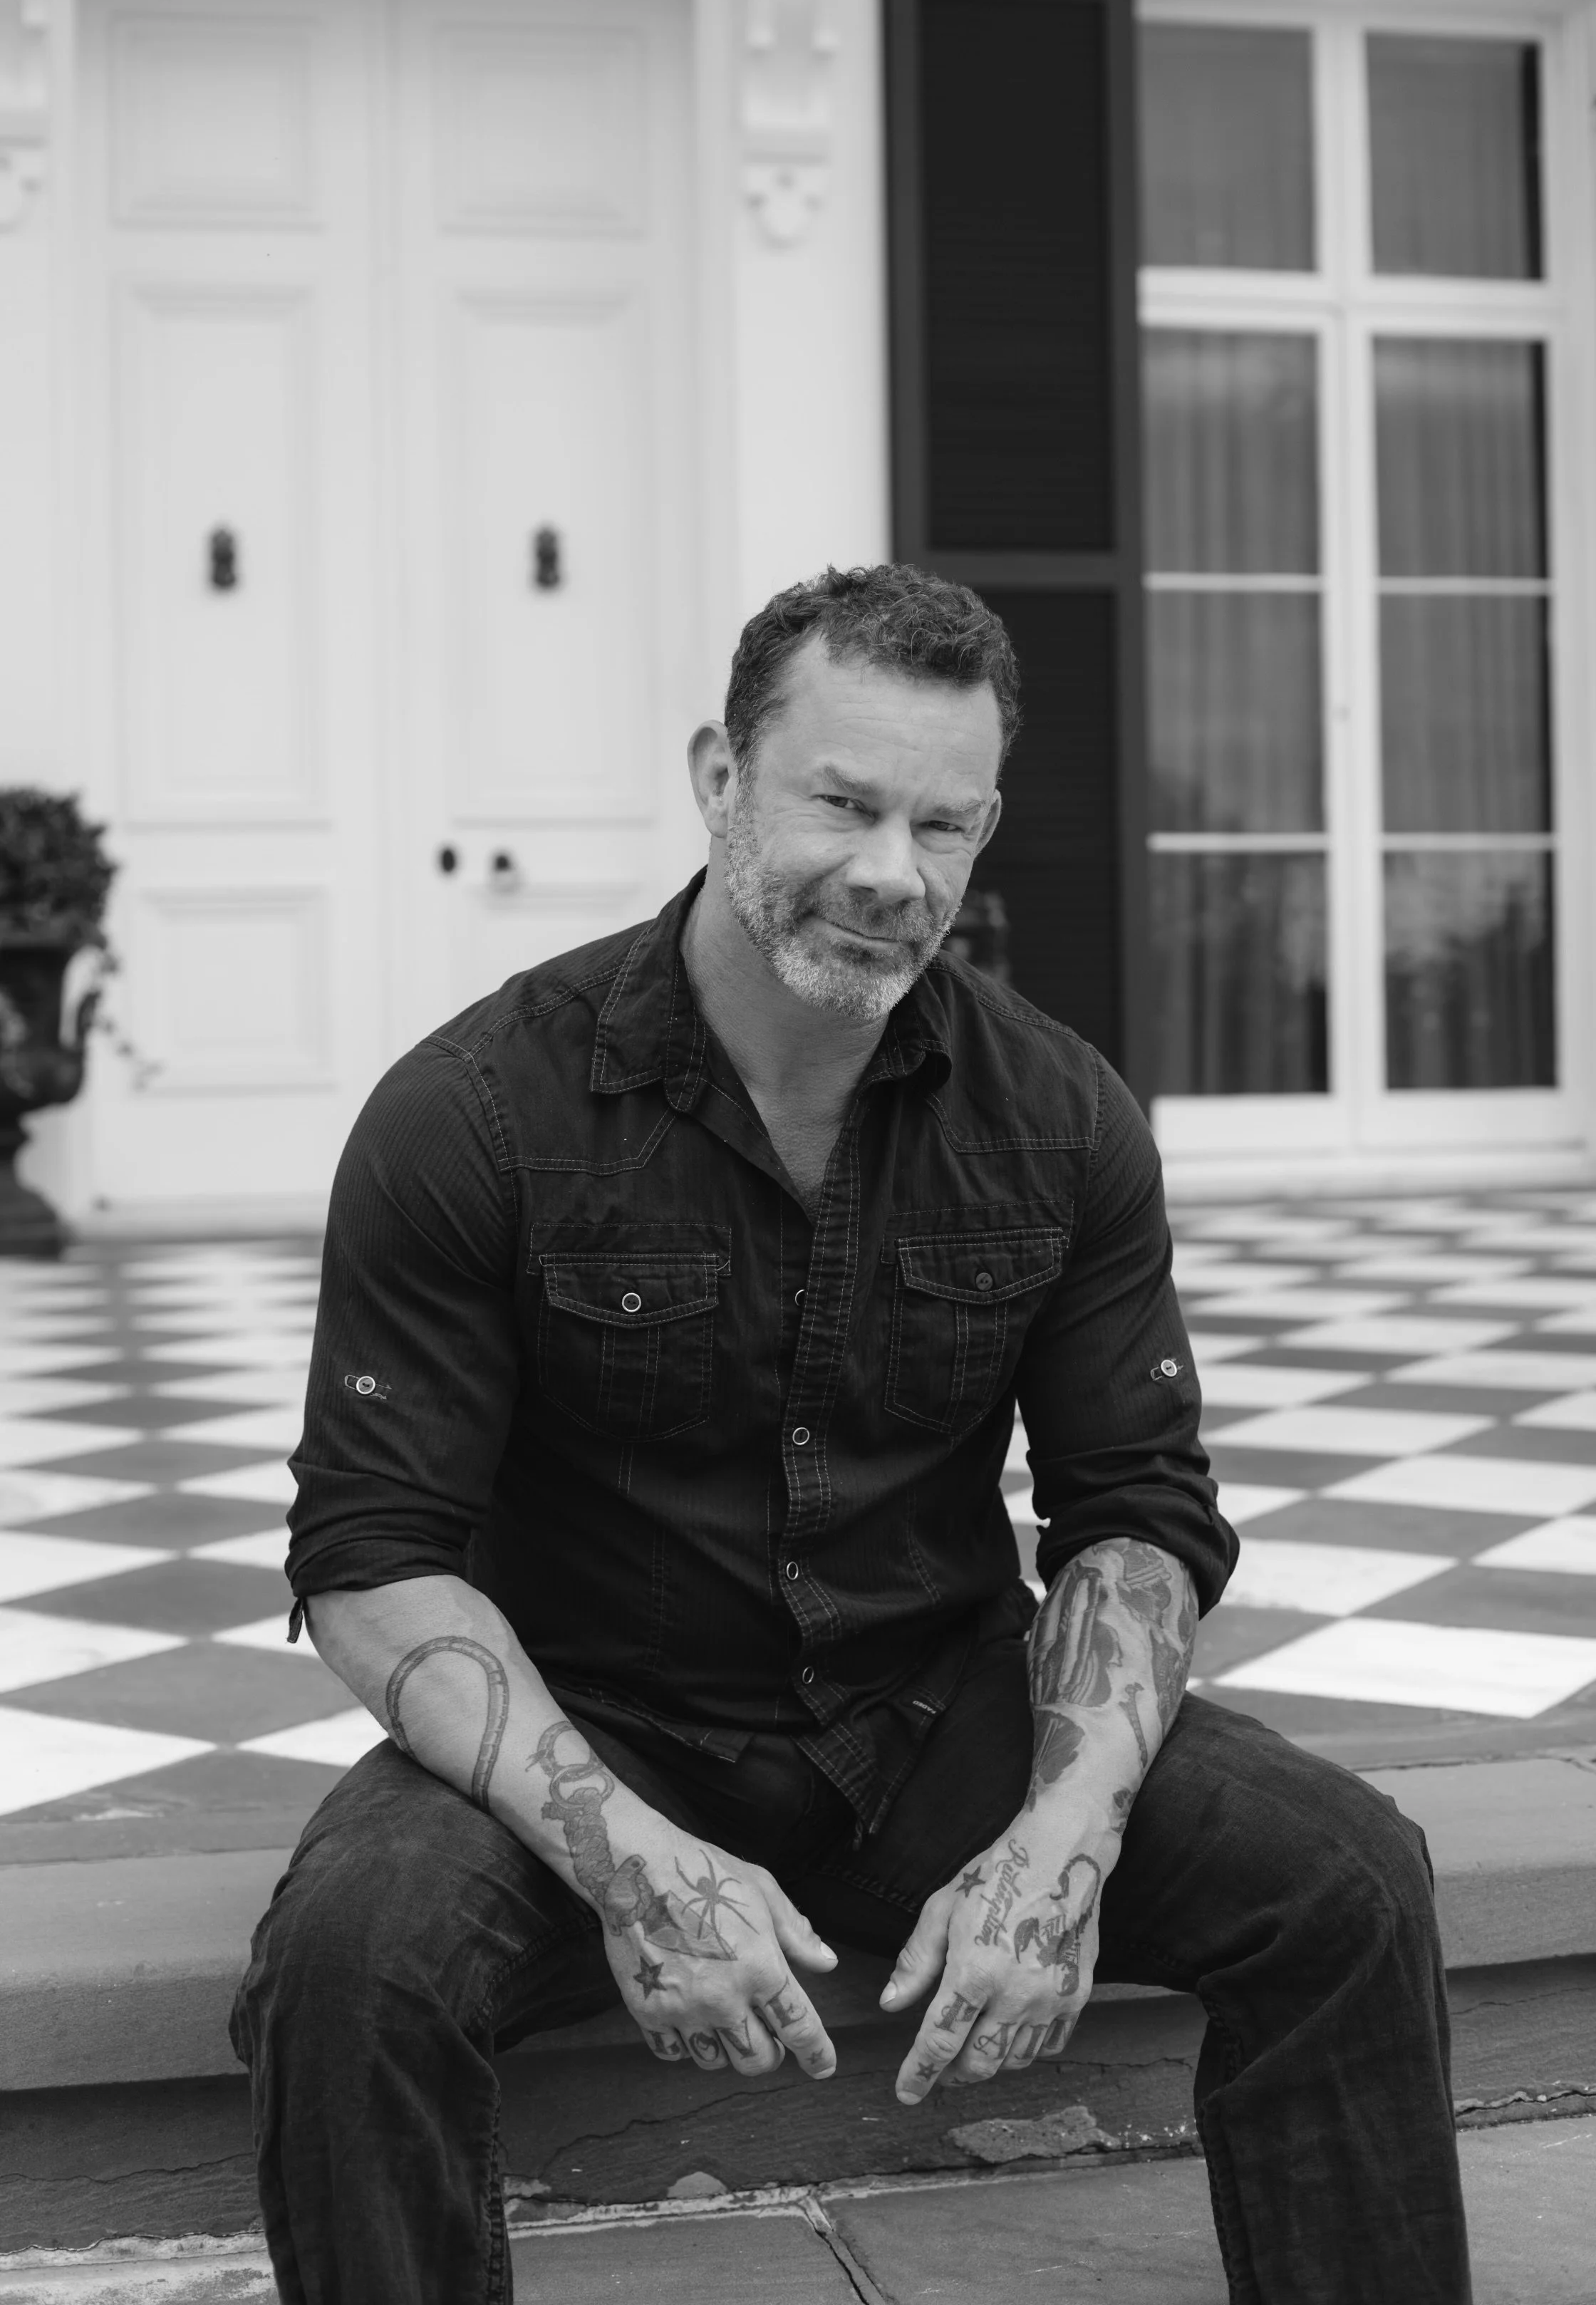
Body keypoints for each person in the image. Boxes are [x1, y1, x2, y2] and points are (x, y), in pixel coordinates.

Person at [232, 564, 1470, 2304]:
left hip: (936, 1718)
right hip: (594, 1728)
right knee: (352, 1965)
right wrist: (633, 1861)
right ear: (717, 777)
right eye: (843, 801)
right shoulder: (478, 1113)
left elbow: (1134, 1514)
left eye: (944, 826)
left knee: (1347, 1880)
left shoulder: (1056, 1116)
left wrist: (1064, 1836)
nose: (895, 875)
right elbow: (370, 1556)